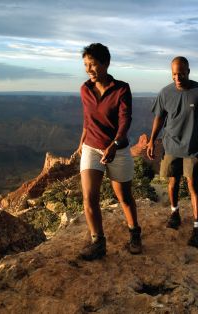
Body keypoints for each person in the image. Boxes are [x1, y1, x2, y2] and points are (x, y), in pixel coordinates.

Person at [76, 43, 142, 260]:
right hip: (91, 148)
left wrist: (115, 144)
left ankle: (134, 232)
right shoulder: (85, 89)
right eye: (85, 65)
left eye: (93, 64)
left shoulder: (122, 88)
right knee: (89, 196)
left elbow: (125, 120)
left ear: (105, 63)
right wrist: (82, 141)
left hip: (118, 148)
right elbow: (87, 118)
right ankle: (98, 242)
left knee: (123, 196)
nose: (88, 69)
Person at [147, 56, 198, 248]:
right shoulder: (165, 93)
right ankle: (174, 212)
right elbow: (159, 119)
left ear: (188, 71)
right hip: (171, 146)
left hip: (193, 148)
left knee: (193, 186)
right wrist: (152, 140)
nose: (177, 77)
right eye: (174, 74)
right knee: (172, 182)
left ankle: (197, 229)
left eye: (181, 73)